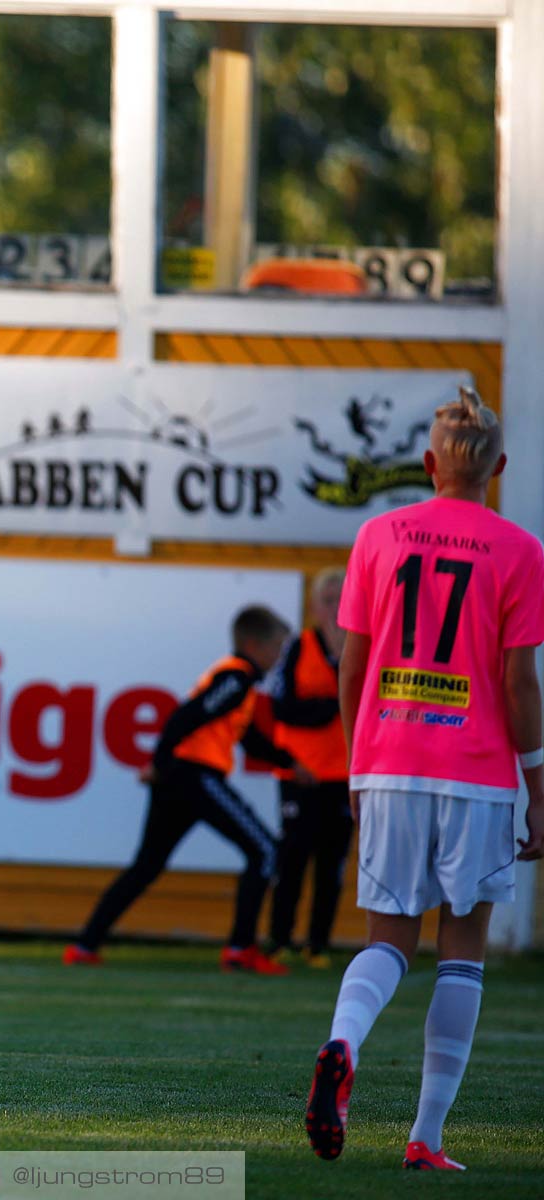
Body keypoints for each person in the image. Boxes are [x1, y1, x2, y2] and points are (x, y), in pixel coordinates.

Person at [304, 387, 543, 1171]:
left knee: (388, 938)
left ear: (427, 464)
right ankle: (426, 1137)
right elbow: (518, 684)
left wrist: (355, 756)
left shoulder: (379, 535)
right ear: (498, 468)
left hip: (391, 761)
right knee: (463, 948)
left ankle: (342, 1043)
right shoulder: (518, 550)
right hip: (476, 774)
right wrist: (538, 786)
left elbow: (352, 662)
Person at [64, 606, 312, 975]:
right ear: (253, 644)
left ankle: (85, 944)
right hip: (194, 776)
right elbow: (186, 716)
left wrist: (288, 762)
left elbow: (249, 740)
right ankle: (241, 948)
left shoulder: (238, 682)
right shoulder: (236, 678)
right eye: (276, 648)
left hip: (181, 777)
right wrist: (159, 763)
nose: (278, 659)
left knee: (147, 864)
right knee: (264, 850)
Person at [264, 568, 353, 967]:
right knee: (292, 860)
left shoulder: (362, 647)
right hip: (301, 773)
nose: (335, 608)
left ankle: (318, 943)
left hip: (346, 774)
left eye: (342, 598)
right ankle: (278, 939)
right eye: (328, 600)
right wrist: (330, 704)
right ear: (314, 607)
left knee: (332, 864)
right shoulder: (298, 648)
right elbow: (282, 706)